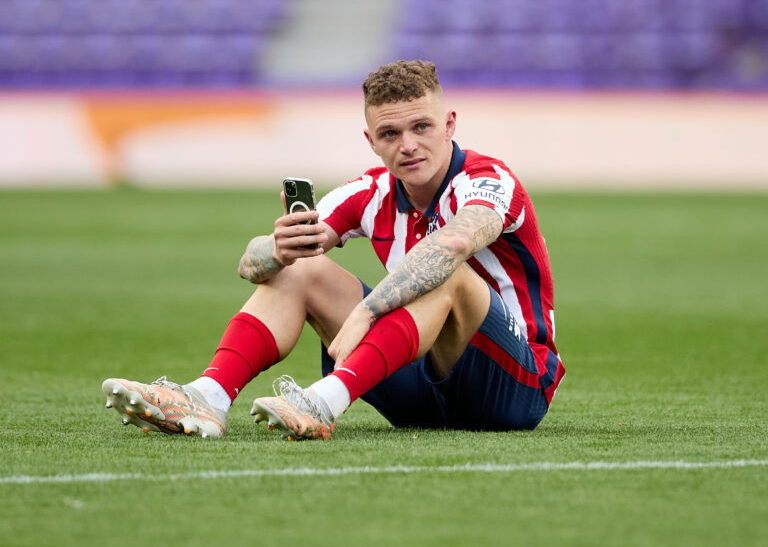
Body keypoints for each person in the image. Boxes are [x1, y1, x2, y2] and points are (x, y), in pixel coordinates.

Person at [101, 60, 565, 440]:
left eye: (421, 127)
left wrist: (366, 311)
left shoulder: (488, 180)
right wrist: (277, 248)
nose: (408, 145)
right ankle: (208, 397)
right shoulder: (370, 191)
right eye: (390, 134)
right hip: (423, 384)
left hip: (515, 387)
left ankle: (325, 401)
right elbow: (252, 264)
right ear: (371, 141)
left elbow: (455, 244)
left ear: (449, 125)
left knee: (446, 268)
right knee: (303, 266)